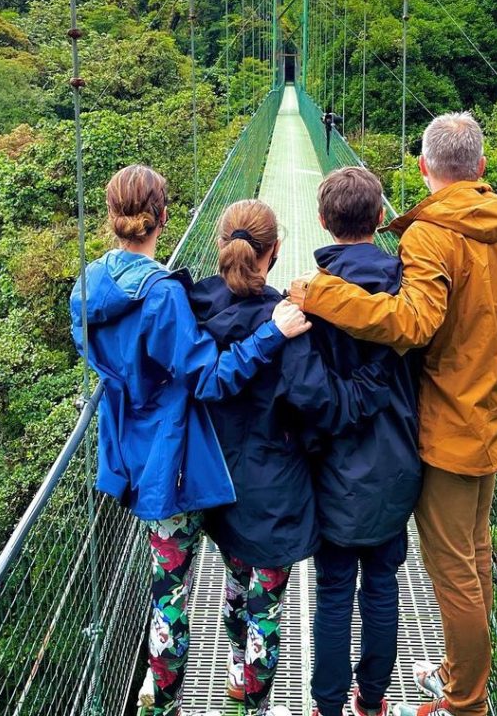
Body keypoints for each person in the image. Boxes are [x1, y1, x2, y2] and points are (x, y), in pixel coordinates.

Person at [289, 113, 497, 716]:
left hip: (446, 423)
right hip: (490, 416)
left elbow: (411, 325)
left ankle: (467, 700)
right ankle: (459, 674)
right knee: (476, 555)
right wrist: (489, 322)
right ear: (481, 168)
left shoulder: (428, 235)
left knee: (453, 572)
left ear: (423, 168)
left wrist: (323, 292)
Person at [71, 165, 310, 716]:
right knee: (218, 583)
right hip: (182, 458)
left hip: (132, 454)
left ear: (111, 218)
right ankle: (240, 690)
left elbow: (112, 363)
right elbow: (211, 379)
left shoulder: (87, 288)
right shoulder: (163, 298)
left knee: (166, 592)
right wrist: (272, 332)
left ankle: (162, 706)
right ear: (162, 217)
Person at [188, 198, 390, 716]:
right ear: (276, 251)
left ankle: (236, 670)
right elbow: (317, 405)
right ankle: (253, 700)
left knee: (235, 581)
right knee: (266, 605)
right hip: (276, 491)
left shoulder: (189, 308)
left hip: (215, 481)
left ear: (219, 246)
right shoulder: (290, 322)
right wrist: (373, 382)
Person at [306, 167, 422, 716]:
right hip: (398, 459)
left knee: (333, 590)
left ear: (324, 223)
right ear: (381, 218)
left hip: (332, 464)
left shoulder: (311, 299)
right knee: (382, 583)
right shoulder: (411, 288)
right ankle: (371, 700)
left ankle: (327, 705)